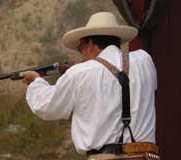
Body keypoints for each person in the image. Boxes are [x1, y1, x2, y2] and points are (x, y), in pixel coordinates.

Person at [19, 12, 158, 160]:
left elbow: (47, 107)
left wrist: (36, 81)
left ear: (90, 45)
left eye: (81, 49)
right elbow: (124, 86)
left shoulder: (79, 73)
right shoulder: (145, 60)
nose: (82, 55)